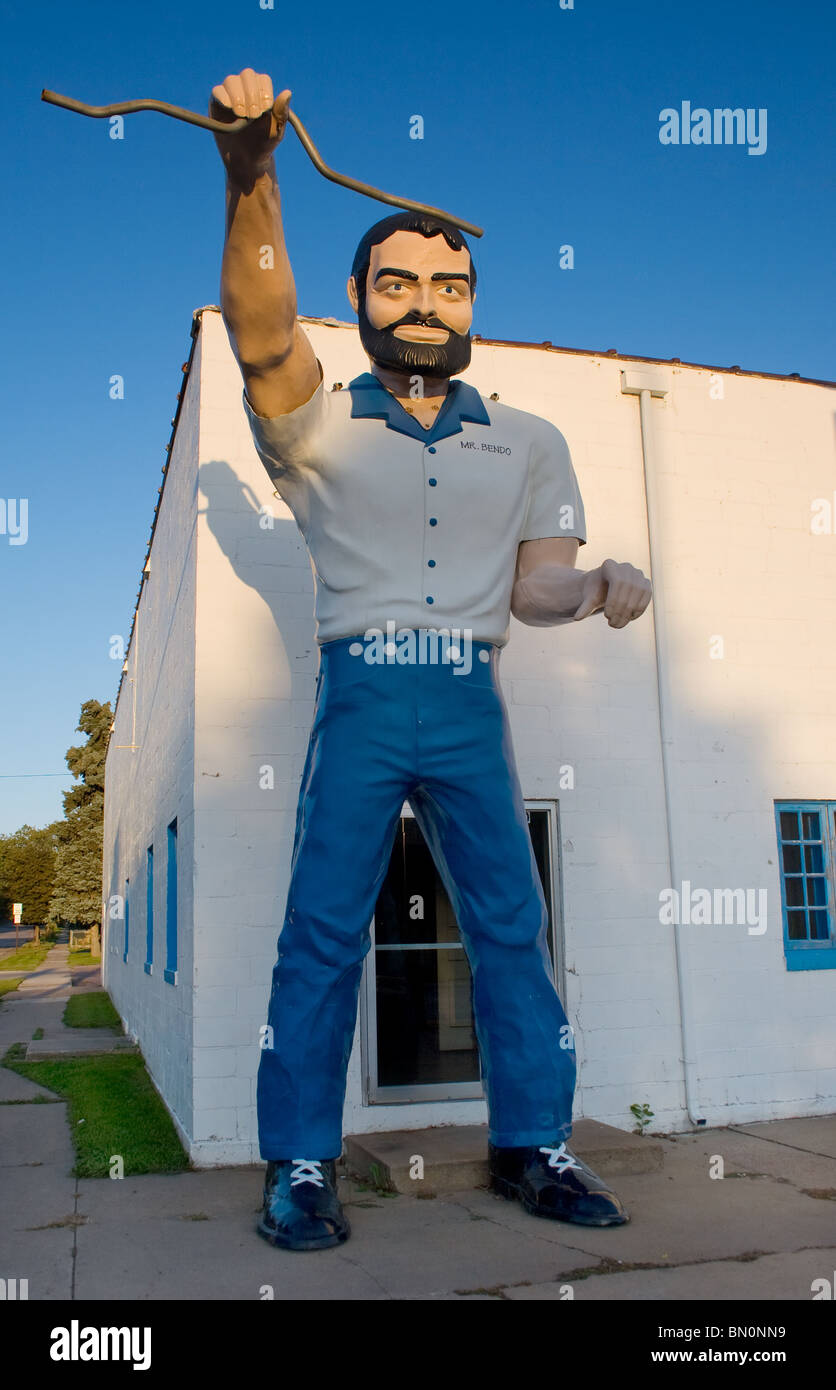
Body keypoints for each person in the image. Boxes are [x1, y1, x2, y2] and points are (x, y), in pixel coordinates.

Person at [212, 68, 653, 1252]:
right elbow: (260, 333)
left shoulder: (530, 439)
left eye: (448, 286)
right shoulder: (313, 420)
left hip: (467, 693)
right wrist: (251, 177)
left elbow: (534, 586)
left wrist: (593, 585)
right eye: (397, 282)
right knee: (321, 928)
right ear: (357, 296)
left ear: (471, 306)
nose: (424, 304)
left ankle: (532, 1144)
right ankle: (300, 1160)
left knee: (510, 925)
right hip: (360, 689)